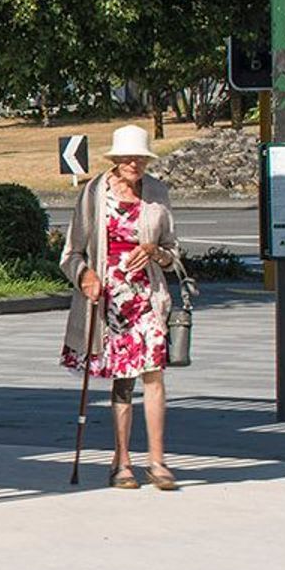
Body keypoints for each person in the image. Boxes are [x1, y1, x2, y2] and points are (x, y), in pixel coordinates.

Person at [62, 124, 182, 490]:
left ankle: (158, 462)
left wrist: (154, 252)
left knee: (154, 374)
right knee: (123, 379)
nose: (134, 164)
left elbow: (174, 253)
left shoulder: (158, 192)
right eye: (128, 158)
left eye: (141, 158)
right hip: (110, 300)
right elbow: (71, 254)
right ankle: (122, 461)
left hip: (148, 297)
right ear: (115, 160)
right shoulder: (94, 193)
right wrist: (85, 277)